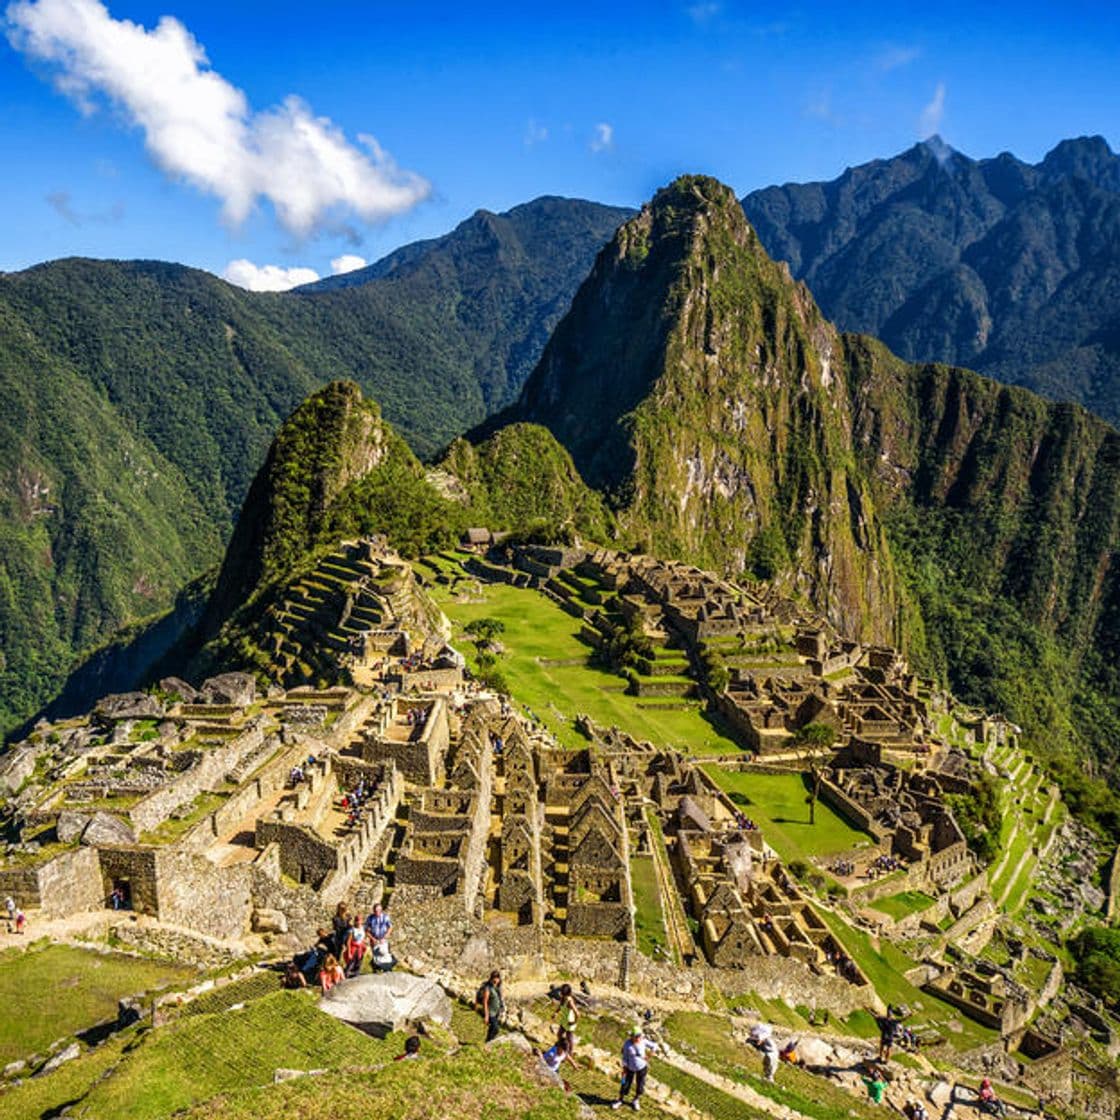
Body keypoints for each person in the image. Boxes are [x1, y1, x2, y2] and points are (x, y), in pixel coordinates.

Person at [612, 1025, 658, 1111]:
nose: (638, 1038)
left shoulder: (643, 1041)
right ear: (632, 1036)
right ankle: (620, 1100)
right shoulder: (627, 1044)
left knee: (640, 1085)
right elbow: (624, 1057)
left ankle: (636, 1100)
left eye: (639, 1036)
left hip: (642, 1067)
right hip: (629, 1068)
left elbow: (654, 1046)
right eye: (636, 1036)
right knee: (624, 1084)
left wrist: (650, 1055)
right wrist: (624, 1068)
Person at [554, 982, 580, 1065]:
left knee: (569, 1040)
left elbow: (578, 1014)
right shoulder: (563, 999)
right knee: (559, 1035)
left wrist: (573, 1022)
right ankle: (560, 1049)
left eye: (562, 991)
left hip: (569, 1023)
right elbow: (560, 1007)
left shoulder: (569, 1001)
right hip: (564, 1021)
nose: (560, 992)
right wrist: (556, 1013)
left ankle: (569, 1055)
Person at [478, 970, 504, 1042]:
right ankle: (489, 1041)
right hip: (490, 1012)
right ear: (491, 978)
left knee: (493, 1028)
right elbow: (485, 1002)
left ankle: (488, 1041)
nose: (496, 980)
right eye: (494, 978)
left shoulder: (497, 987)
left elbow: (499, 999)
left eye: (497, 978)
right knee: (496, 1028)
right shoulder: (488, 988)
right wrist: (486, 1015)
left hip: (496, 1012)